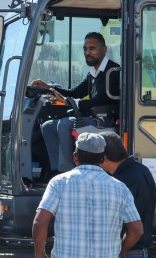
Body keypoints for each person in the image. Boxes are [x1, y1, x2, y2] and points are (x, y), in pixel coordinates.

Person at [32, 32, 120, 173]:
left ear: (104, 49)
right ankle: (55, 171)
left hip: (105, 119)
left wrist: (68, 101)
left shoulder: (113, 71)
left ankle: (67, 172)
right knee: (47, 126)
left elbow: (100, 101)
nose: (87, 52)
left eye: (92, 48)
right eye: (85, 49)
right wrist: (48, 88)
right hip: (92, 116)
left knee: (64, 124)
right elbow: (75, 93)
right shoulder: (93, 73)